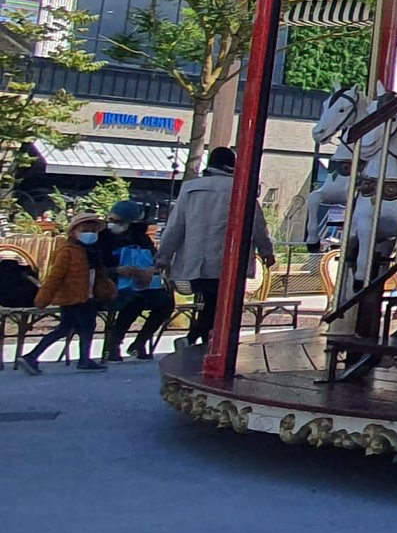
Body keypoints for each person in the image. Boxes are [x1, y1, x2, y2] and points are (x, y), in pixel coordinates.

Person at [160, 148, 276, 350]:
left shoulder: (190, 188)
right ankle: (194, 339)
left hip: (195, 258)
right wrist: (266, 251)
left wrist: (163, 257)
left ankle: (203, 343)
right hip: (229, 257)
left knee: (212, 301)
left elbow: (175, 225)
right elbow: (256, 223)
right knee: (222, 304)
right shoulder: (241, 188)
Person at [20, 216, 110, 373]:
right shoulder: (67, 251)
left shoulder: (92, 252)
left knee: (85, 326)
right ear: (73, 232)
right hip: (71, 298)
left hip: (87, 296)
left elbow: (99, 275)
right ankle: (32, 356)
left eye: (93, 231)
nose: (90, 234)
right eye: (85, 231)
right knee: (67, 328)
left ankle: (83, 359)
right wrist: (43, 298)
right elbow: (55, 277)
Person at [100, 199, 174, 361]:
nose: (112, 224)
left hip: (140, 283)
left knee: (165, 303)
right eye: (110, 220)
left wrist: (151, 270)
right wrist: (116, 270)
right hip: (109, 285)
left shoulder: (141, 238)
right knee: (135, 301)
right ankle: (113, 345)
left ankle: (139, 343)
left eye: (118, 221)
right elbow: (93, 267)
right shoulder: (102, 238)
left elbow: (154, 259)